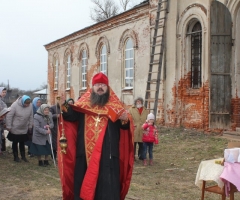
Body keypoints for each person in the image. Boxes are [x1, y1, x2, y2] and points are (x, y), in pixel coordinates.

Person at [58, 72, 134, 200]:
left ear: (107, 88)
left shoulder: (116, 106)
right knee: (84, 182)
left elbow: (124, 127)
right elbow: (70, 115)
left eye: (103, 85)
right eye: (97, 85)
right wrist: (63, 103)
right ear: (92, 88)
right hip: (85, 153)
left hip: (108, 154)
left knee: (107, 186)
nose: (100, 87)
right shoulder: (83, 105)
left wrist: (125, 120)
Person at [6, 95, 33, 162]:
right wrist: (8, 126)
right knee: (15, 142)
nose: (27, 105)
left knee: (22, 142)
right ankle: (16, 157)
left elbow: (31, 116)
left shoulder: (30, 106)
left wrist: (30, 125)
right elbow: (9, 116)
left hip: (24, 127)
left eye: (28, 104)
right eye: (25, 104)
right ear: (22, 102)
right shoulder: (15, 105)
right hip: (15, 127)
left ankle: (23, 156)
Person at [0, 87, 7, 153]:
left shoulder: (3, 100)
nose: (4, 94)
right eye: (3, 92)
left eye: (5, 92)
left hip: (2, 121)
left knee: (1, 136)